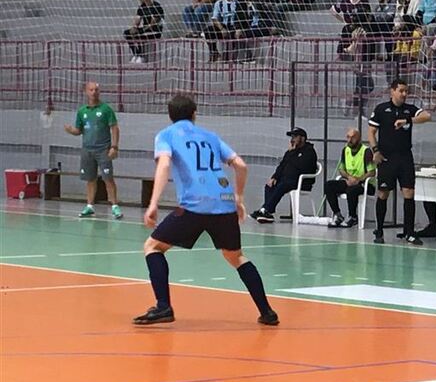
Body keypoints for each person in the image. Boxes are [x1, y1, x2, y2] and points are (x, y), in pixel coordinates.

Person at [133, 93, 277, 326]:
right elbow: (240, 165)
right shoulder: (210, 136)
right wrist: (238, 198)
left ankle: (163, 306)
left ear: (170, 116)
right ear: (194, 114)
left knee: (152, 247)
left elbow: (165, 164)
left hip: (194, 205)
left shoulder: (166, 135)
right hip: (224, 202)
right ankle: (267, 312)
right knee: (235, 256)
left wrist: (153, 203)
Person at [368, 79, 433, 245]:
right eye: (401, 91)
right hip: (387, 157)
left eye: (406, 91)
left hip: (405, 157)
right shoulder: (382, 109)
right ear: (393, 91)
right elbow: (371, 132)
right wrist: (375, 151)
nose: (404, 94)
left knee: (409, 193)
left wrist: (408, 121)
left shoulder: (409, 110)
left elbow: (427, 116)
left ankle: (409, 232)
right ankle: (379, 230)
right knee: (383, 193)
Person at [63, 81, 122, 219]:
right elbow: (79, 130)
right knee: (90, 179)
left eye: (96, 90)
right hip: (87, 150)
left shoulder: (106, 109)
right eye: (91, 90)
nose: (94, 92)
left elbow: (114, 128)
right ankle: (89, 206)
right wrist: (72, 131)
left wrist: (114, 146)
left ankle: (114, 206)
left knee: (108, 178)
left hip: (103, 149)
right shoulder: (82, 111)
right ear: (86, 91)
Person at [250, 128, 319, 223]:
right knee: (270, 185)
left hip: (301, 182)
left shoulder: (309, 152)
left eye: (295, 137)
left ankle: (266, 210)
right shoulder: (290, 152)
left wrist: (292, 153)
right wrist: (274, 177)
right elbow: (282, 166)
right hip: (287, 180)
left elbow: (301, 167)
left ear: (302, 138)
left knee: (283, 185)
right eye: (292, 137)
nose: (292, 139)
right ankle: (267, 212)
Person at [324, 128, 375, 228]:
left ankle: (353, 217)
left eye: (353, 137)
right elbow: (341, 170)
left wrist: (358, 180)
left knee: (352, 190)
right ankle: (338, 215)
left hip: (365, 184)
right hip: (349, 180)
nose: (350, 140)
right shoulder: (345, 150)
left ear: (359, 138)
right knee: (329, 185)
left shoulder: (366, 151)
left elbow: (372, 172)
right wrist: (349, 177)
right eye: (348, 137)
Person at [123, 0, 164, 64]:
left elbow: (153, 23)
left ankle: (141, 56)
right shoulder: (142, 7)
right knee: (127, 33)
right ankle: (136, 54)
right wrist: (134, 27)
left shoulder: (156, 6)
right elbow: (138, 19)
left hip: (155, 31)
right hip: (146, 29)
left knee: (139, 34)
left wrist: (141, 30)